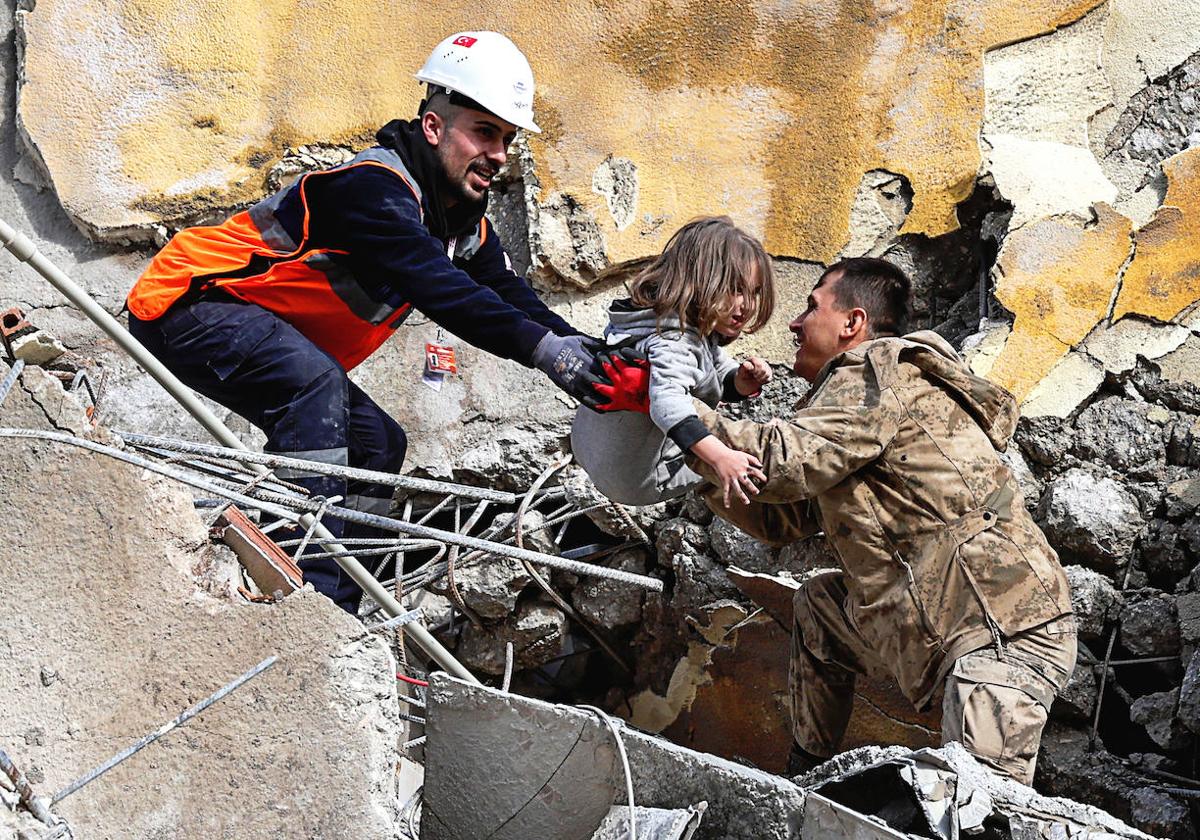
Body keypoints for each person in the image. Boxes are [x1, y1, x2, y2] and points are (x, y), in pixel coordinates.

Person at [125, 31, 624, 614]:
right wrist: (544, 353)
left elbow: (506, 292)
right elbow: (437, 286)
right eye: (484, 132)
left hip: (248, 320)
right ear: (434, 128)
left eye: (508, 139)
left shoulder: (461, 221)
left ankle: (332, 601)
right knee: (312, 388)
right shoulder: (373, 188)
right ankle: (297, 599)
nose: (499, 154)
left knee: (376, 443)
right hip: (189, 303)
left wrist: (584, 348)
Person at [687, 257, 1076, 785]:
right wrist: (695, 466)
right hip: (945, 623)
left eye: (811, 306)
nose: (795, 324)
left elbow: (781, 461)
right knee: (821, 605)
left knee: (978, 812)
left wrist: (675, 416)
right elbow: (781, 516)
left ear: (852, 323)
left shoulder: (878, 373)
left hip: (1001, 627)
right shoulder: (847, 408)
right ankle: (807, 780)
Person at [570, 217, 775, 507]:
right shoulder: (674, 341)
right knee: (759, 459)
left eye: (754, 292)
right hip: (641, 480)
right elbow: (668, 404)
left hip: (590, 448)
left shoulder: (655, 322)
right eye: (736, 289)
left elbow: (713, 366)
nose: (748, 305)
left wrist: (740, 381)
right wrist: (721, 457)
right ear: (700, 281)